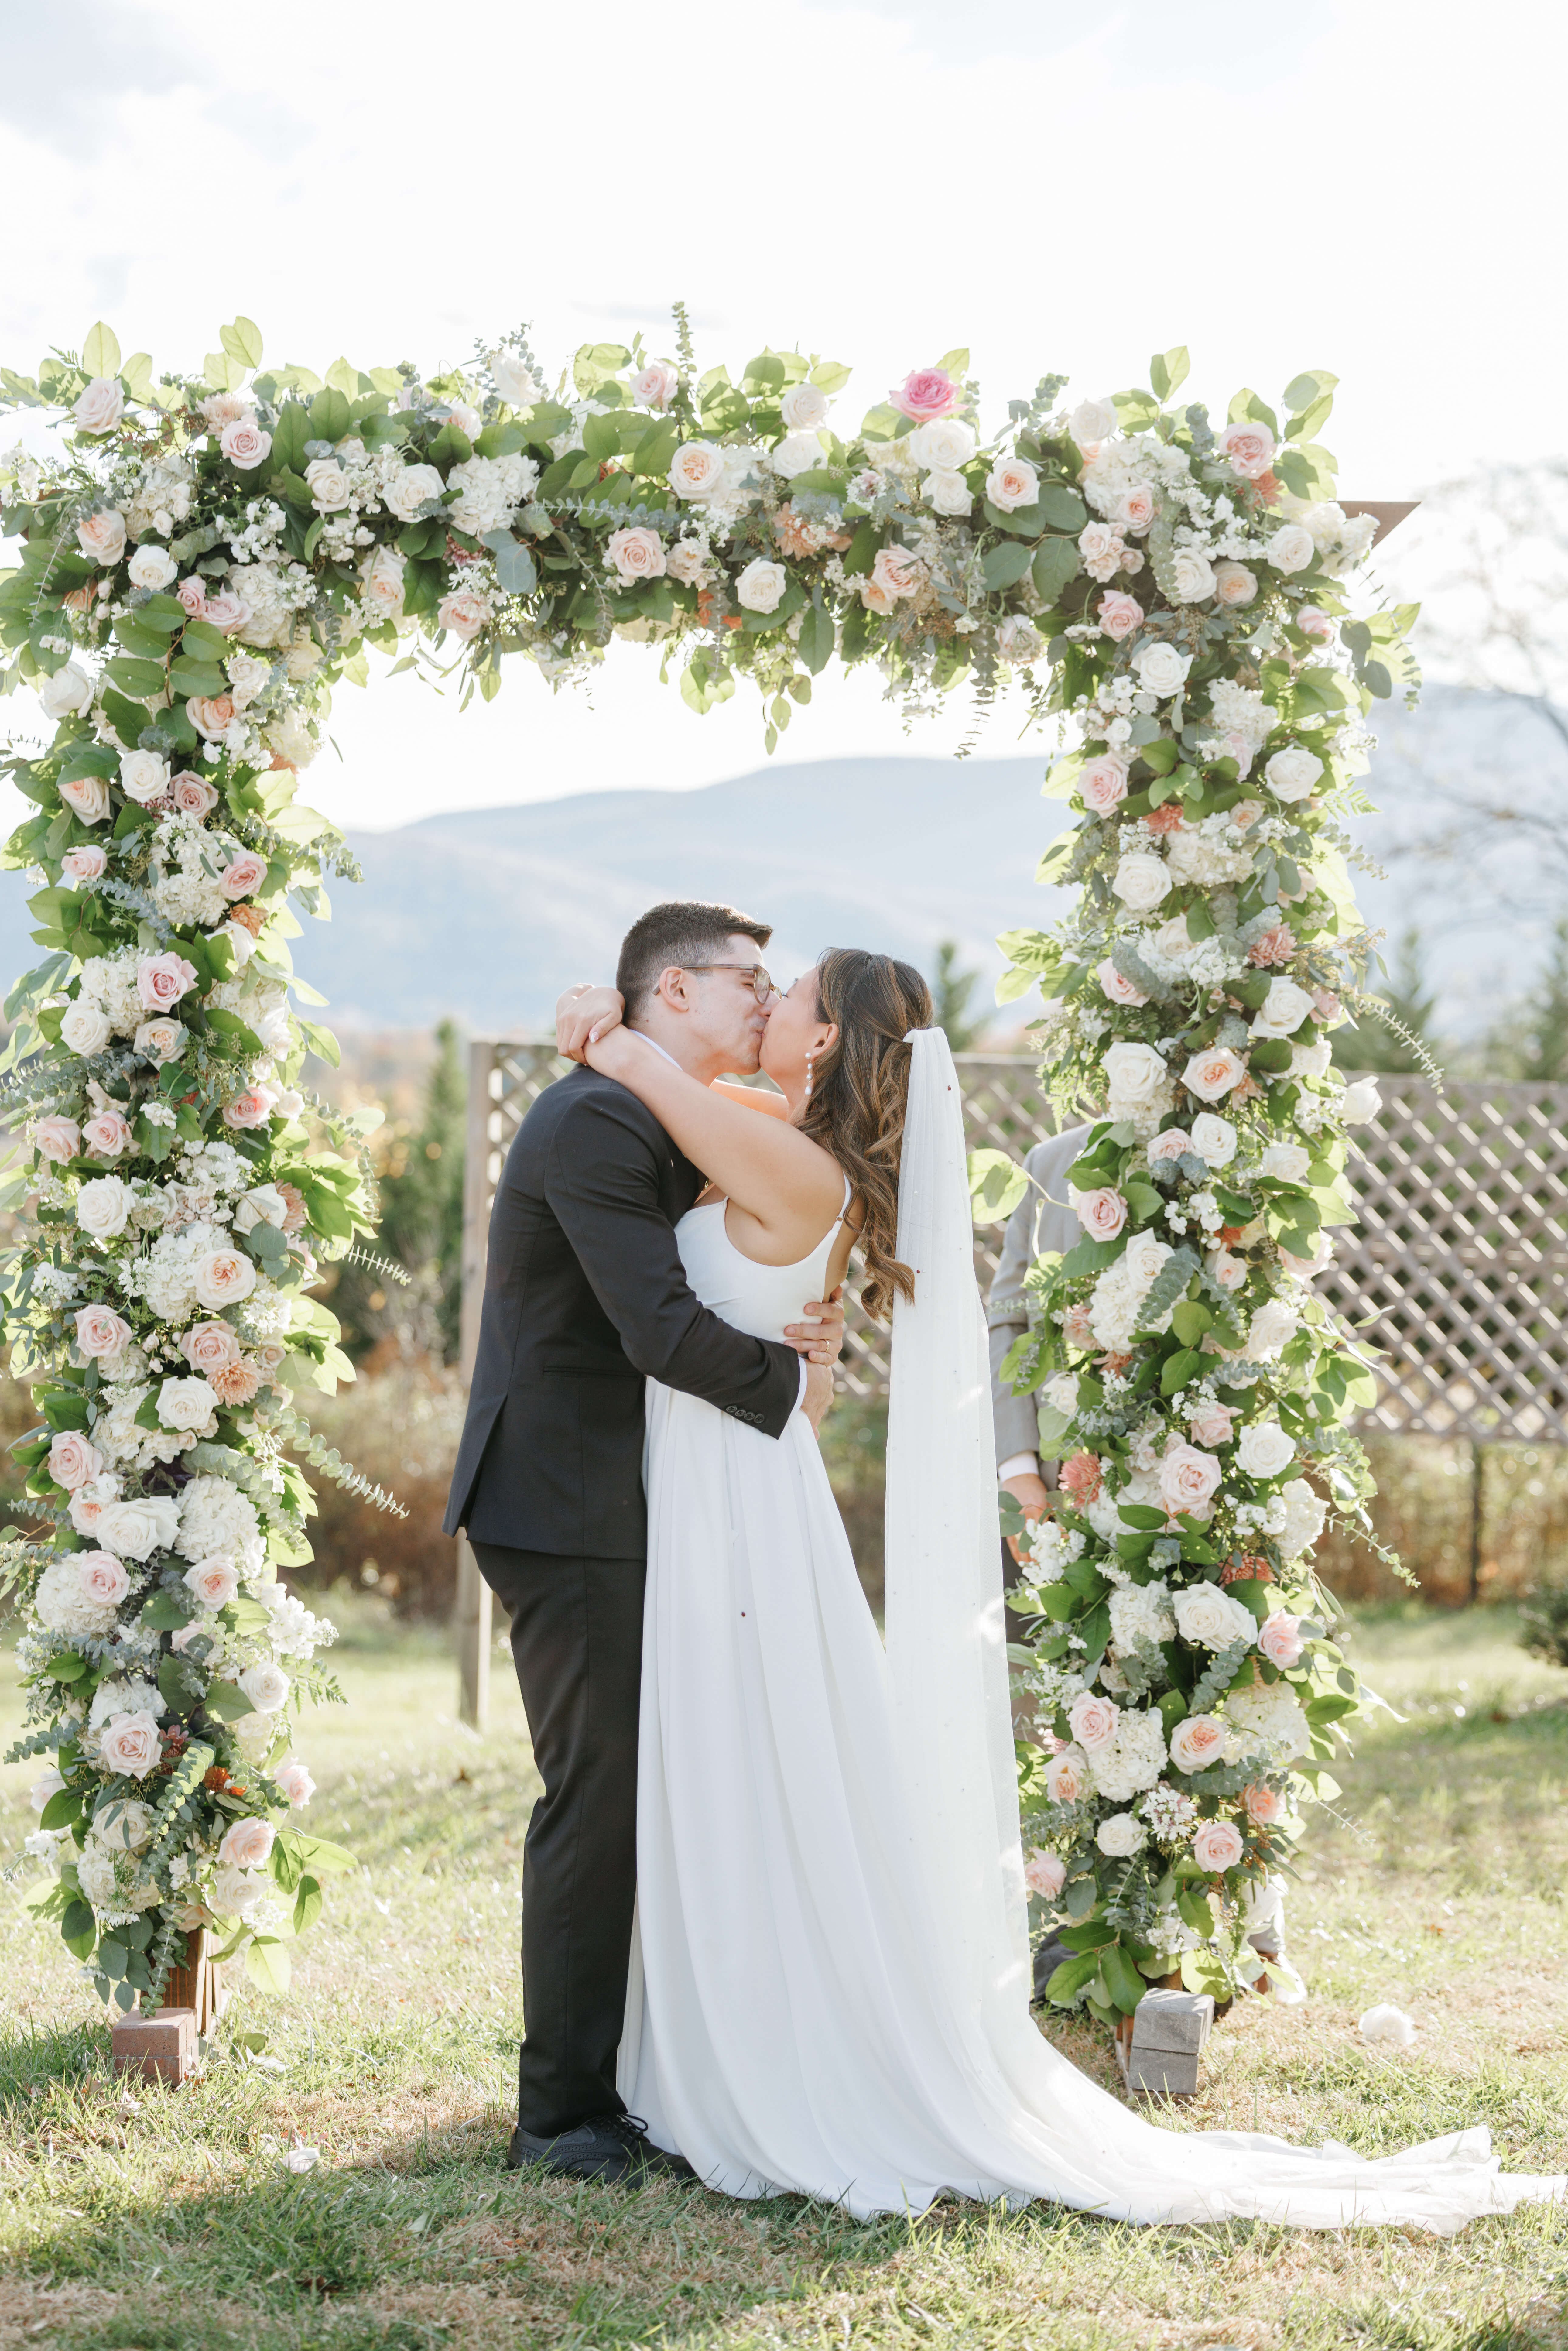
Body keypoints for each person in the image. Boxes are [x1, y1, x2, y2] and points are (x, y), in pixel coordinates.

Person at [550, 951, 1563, 2228]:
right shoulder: (775, 1137)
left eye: (788, 992)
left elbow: (636, 1064)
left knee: (744, 1760)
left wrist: (599, 1017)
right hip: (727, 1481)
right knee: (732, 1761)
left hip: (734, 1502)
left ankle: (748, 2052)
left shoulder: (792, 1164)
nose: (768, 1002)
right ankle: (703, 2032)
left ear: (822, 1044)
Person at [444, 901, 845, 2186]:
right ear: (670, 991)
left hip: (628, 1500)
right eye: (748, 982)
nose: (763, 1002)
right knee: (597, 1795)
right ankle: (558, 2118)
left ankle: (633, 2074)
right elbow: (658, 1328)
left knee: (637, 1787)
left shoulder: (650, 1102)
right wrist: (797, 1394)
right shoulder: (600, 1119)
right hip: (564, 1508)